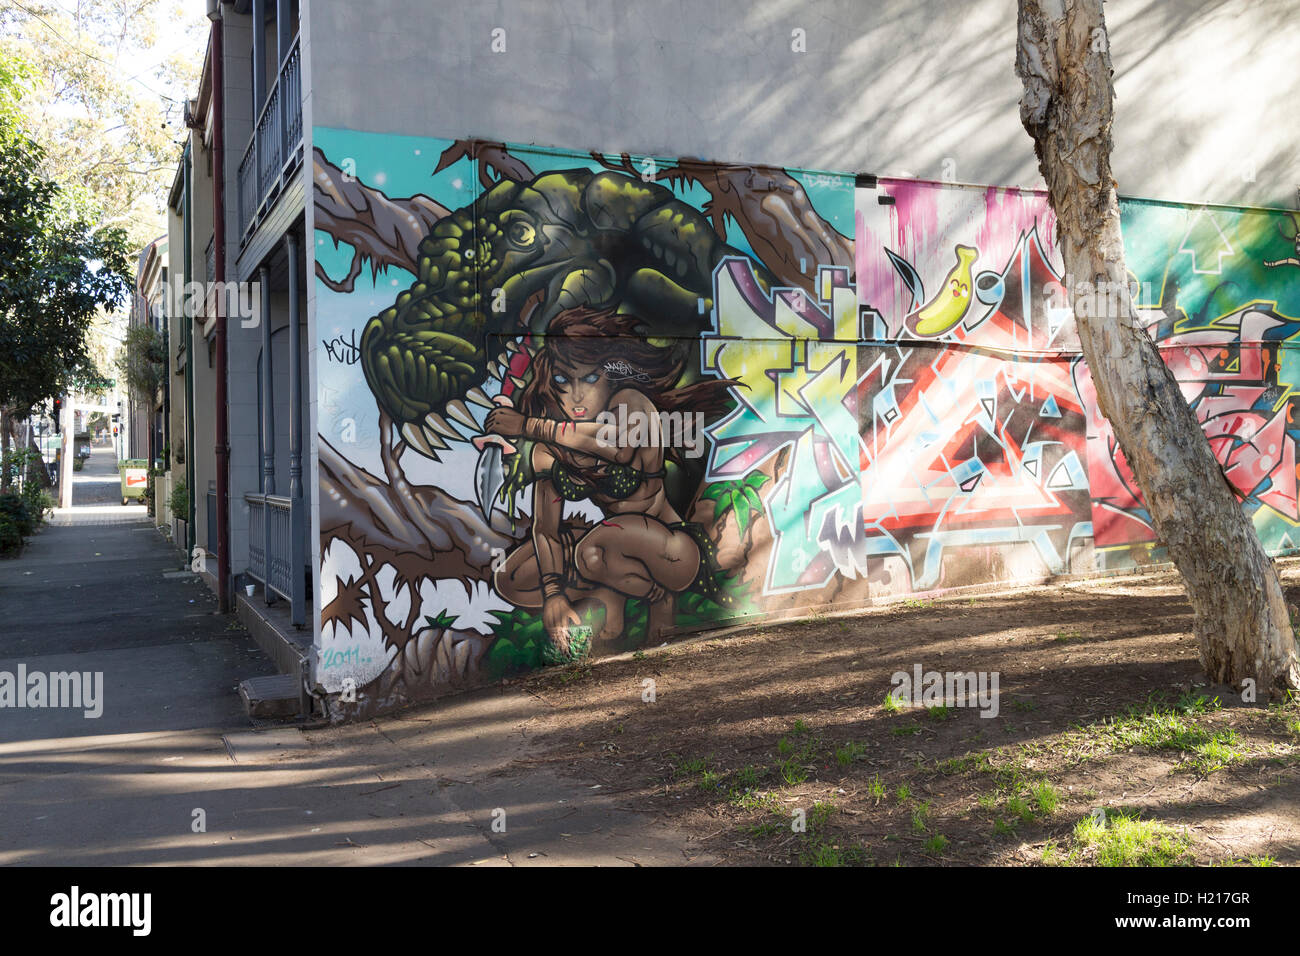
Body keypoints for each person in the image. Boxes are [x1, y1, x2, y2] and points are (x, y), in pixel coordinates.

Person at [484, 305, 736, 653]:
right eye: (562, 381)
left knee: (592, 549)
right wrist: (554, 595)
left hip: (674, 551)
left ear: (609, 376)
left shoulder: (631, 404)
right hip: (609, 552)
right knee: (512, 577)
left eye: (589, 379)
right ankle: (610, 593)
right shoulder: (552, 448)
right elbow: (546, 529)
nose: (576, 396)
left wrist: (528, 426)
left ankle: (656, 597)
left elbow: (617, 447)